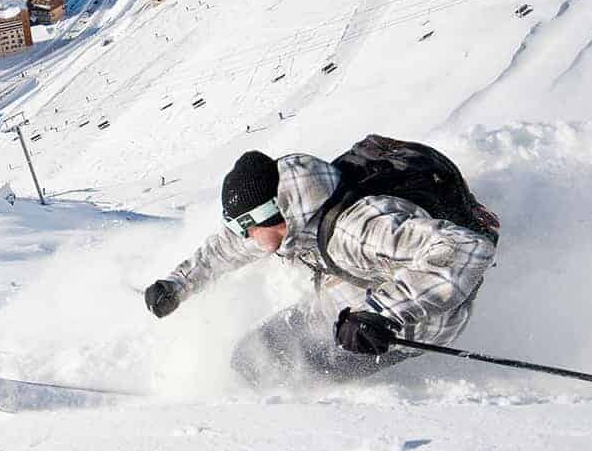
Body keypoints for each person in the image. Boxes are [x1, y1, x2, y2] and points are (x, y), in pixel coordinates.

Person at [143, 147, 497, 386]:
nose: (244, 235)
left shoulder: (356, 228)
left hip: (407, 326)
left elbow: (467, 249)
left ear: (272, 210)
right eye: (238, 226)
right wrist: (177, 285)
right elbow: (225, 248)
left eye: (246, 225)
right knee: (250, 358)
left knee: (294, 381)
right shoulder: (290, 218)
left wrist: (381, 313)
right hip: (346, 306)